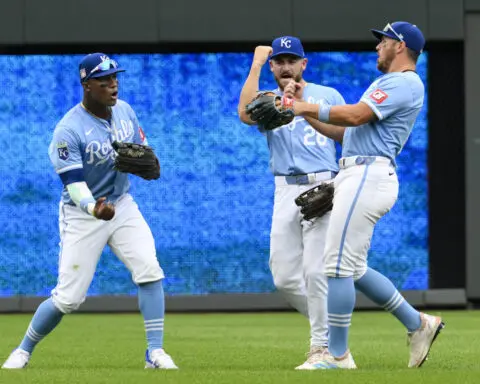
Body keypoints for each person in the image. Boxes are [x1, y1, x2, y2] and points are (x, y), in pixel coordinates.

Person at [279, 22, 443, 369]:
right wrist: (304, 107)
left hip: (369, 173)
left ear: (400, 46)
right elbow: (344, 130)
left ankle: (336, 355)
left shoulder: (403, 82)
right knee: (351, 268)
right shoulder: (391, 82)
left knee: (336, 266)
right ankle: (419, 323)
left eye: (383, 41)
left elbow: (355, 114)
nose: (377, 47)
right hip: (357, 170)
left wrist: (301, 108)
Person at [2, 53, 178, 370]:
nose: (113, 84)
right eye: (104, 80)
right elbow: (73, 183)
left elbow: (144, 149)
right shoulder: (68, 130)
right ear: (86, 85)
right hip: (82, 214)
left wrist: (150, 164)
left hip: (122, 205)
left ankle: (155, 352)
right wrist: (92, 207)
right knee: (68, 298)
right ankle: (23, 350)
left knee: (149, 269)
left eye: (115, 77)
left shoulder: (125, 111)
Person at [238, 37, 346, 369]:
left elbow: (347, 134)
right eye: (279, 60)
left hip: (323, 184)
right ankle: (332, 331)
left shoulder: (326, 95)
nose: (286, 66)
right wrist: (255, 64)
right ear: (272, 66)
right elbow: (244, 114)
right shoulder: (266, 99)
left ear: (304, 64)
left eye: (292, 60)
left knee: (316, 272)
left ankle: (322, 348)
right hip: (285, 190)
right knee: (284, 277)